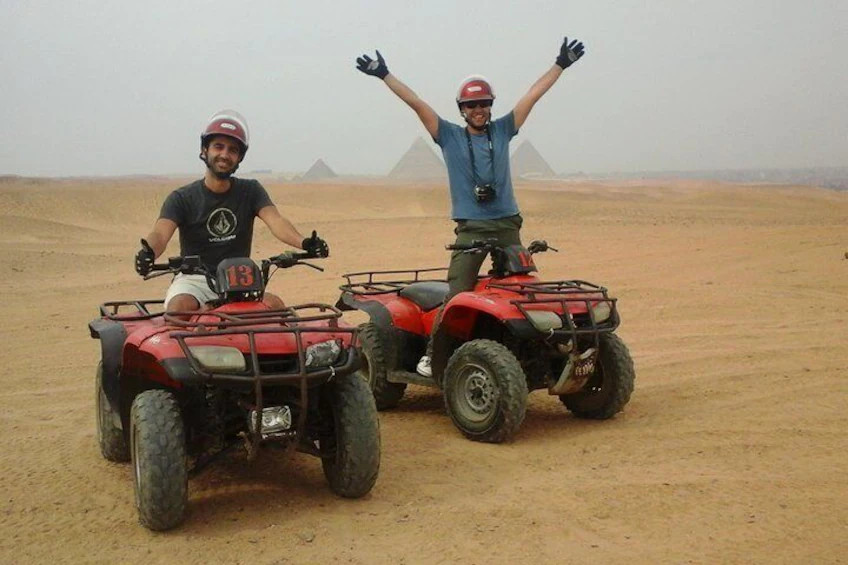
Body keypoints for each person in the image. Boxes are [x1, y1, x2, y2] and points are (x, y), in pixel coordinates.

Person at [356, 37, 586, 377]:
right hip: (472, 230)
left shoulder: (504, 129)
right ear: (462, 109)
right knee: (458, 292)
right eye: (471, 105)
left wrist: (560, 64)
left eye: (483, 104)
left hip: (508, 224)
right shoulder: (448, 135)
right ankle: (433, 354)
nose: (478, 110)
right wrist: (384, 74)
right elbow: (416, 104)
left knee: (525, 290)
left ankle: (535, 350)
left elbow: (533, 95)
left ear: (490, 106)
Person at [135, 109, 329, 313]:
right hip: (195, 281)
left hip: (239, 279)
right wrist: (149, 252)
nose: (225, 155)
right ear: (204, 150)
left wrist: (305, 243)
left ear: (239, 158)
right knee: (179, 309)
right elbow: (160, 234)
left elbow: (276, 221)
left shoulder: (251, 190)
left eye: (233, 150)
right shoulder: (182, 198)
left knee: (276, 309)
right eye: (218, 146)